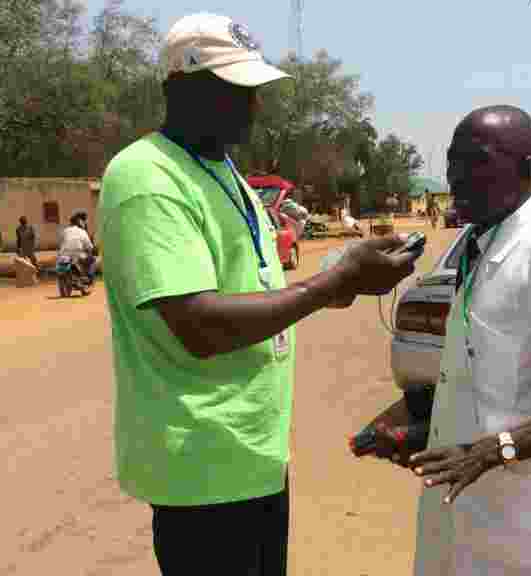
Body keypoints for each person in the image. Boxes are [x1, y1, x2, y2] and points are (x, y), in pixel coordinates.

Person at [96, 13, 418, 576]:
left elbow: (261, 289)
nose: (253, 105)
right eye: (236, 89)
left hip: (250, 454)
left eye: (254, 89)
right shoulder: (147, 177)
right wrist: (330, 285)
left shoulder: (223, 170)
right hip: (200, 464)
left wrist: (345, 276)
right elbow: (198, 324)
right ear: (182, 87)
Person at [367, 105, 531, 575]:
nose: (457, 176)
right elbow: (487, 380)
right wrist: (413, 426)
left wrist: (490, 452)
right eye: (452, 161)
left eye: (477, 161)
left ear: (525, 168)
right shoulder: (474, 250)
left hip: (522, 526)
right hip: (459, 511)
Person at [57, 213, 96, 283]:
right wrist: (92, 249)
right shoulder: (82, 231)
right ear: (80, 222)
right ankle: (89, 277)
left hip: (63, 255)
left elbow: (60, 242)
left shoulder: (65, 231)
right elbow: (89, 246)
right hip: (77, 254)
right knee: (92, 260)